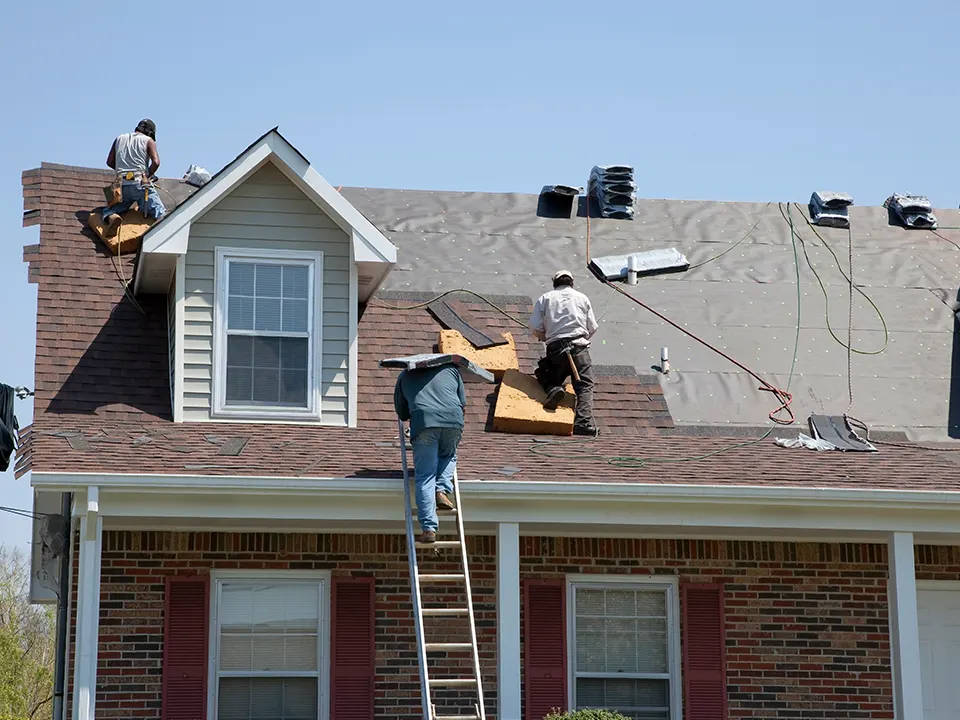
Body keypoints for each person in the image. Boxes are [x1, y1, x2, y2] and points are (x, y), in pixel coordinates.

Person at [393, 364, 466, 543]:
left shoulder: (405, 374)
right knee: (448, 455)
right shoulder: (450, 370)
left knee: (425, 476)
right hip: (453, 419)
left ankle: (428, 528)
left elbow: (402, 413)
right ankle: (441, 490)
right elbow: (462, 402)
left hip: (424, 421)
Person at [530, 269, 600, 436]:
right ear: (572, 283)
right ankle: (582, 422)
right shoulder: (582, 298)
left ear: (555, 283)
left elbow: (534, 327)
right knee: (585, 385)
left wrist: (546, 336)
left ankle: (554, 388)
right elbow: (593, 327)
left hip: (556, 350)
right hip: (579, 348)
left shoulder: (545, 298)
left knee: (546, 375)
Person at [102, 119, 166, 236]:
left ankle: (111, 217)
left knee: (109, 210)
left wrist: (123, 170)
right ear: (150, 133)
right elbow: (156, 162)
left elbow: (109, 162)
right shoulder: (148, 141)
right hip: (139, 183)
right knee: (160, 212)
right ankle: (153, 234)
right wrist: (147, 175)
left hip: (121, 186)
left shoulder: (119, 138)